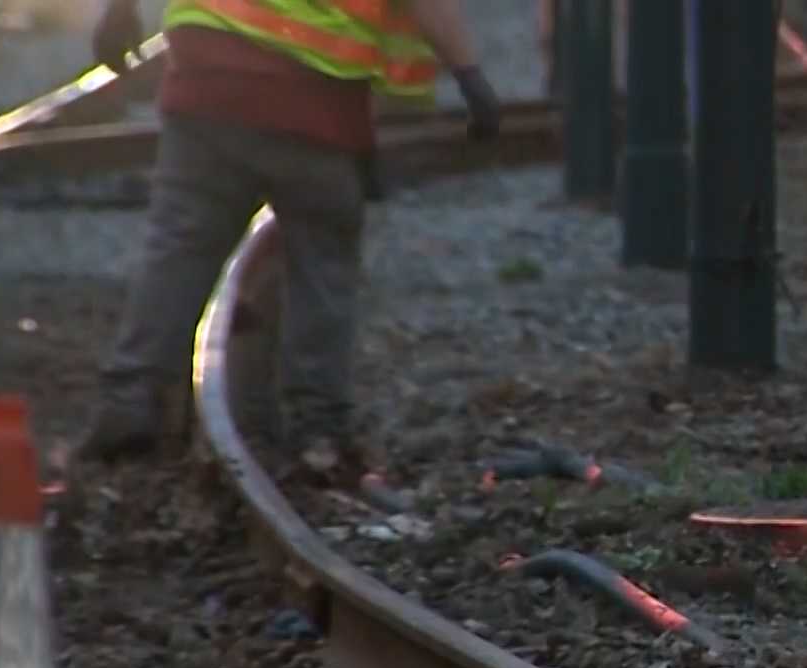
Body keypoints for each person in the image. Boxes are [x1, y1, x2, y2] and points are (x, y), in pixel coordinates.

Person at [80, 0, 502, 478]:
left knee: (178, 247)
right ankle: (317, 431)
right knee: (323, 263)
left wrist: (119, 12)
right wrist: (470, 75)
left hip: (207, 82)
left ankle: (131, 400)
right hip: (318, 101)